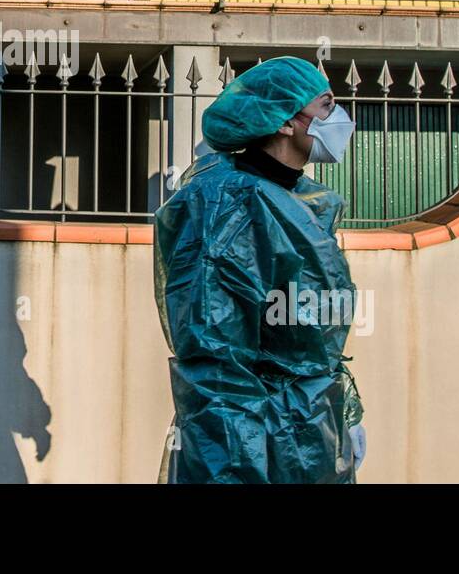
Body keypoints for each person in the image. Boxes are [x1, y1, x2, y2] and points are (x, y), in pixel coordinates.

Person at [154, 55, 366, 483]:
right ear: (285, 122)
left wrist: (345, 414)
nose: (337, 116)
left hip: (311, 427)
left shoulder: (306, 201)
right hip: (255, 442)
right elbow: (216, 364)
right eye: (325, 105)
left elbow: (313, 340)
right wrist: (230, 469)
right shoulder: (223, 205)